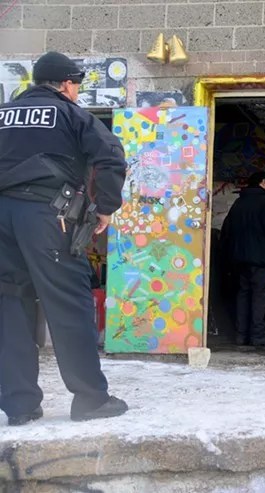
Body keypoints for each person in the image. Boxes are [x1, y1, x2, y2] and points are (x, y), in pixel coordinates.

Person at [0, 51, 129, 425]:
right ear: (67, 84)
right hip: (48, 217)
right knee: (69, 304)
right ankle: (90, 399)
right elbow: (111, 156)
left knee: (9, 305)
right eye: (76, 86)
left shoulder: (3, 114)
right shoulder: (72, 114)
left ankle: (19, 406)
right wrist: (105, 207)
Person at [221, 172, 265, 348]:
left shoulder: (238, 203)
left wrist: (229, 254)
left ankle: (241, 335)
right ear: (263, 182)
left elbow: (227, 231)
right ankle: (258, 336)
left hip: (239, 258)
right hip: (260, 259)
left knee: (243, 293)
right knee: (260, 295)